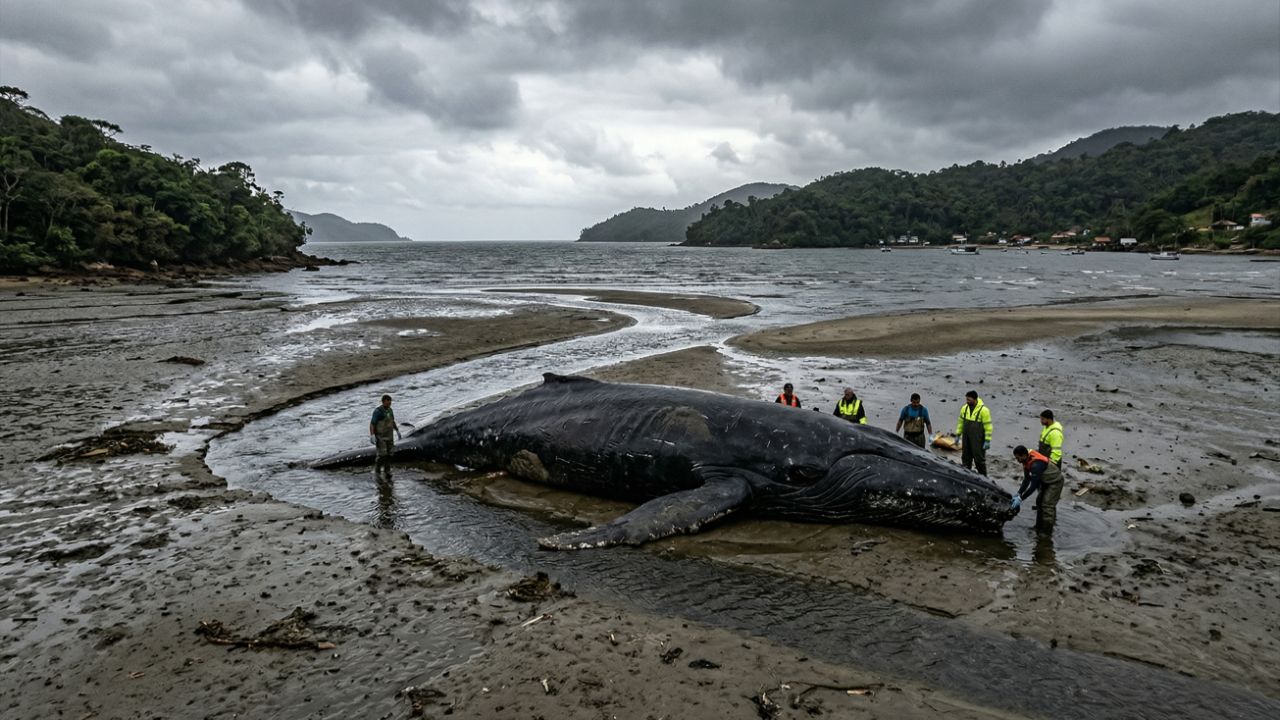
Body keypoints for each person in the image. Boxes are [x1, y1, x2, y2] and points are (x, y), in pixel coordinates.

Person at [1012, 445, 1064, 534]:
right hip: (1044, 481)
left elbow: (1033, 486)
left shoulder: (1036, 465)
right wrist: (1018, 493)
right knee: (1039, 502)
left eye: (1018, 458)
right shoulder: (1026, 460)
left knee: (1047, 506)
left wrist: (1021, 499)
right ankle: (1038, 528)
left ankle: (1046, 534)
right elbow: (1026, 480)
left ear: (1024, 455)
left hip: (1055, 482)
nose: (1017, 460)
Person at [955, 390, 993, 476]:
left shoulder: (984, 410)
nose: (967, 401)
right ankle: (966, 475)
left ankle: (984, 478)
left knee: (979, 459)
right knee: (965, 458)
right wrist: (958, 434)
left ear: (975, 399)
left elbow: (988, 427)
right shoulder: (964, 408)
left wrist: (987, 440)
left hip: (978, 440)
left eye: (969, 400)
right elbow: (960, 422)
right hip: (966, 438)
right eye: (967, 399)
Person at [369, 394, 402, 477]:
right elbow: (372, 424)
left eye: (390, 403)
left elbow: (392, 421)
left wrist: (397, 430)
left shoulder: (390, 410)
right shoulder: (378, 411)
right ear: (383, 402)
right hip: (381, 437)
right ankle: (377, 470)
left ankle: (387, 470)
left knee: (390, 453)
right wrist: (372, 435)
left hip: (389, 436)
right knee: (382, 454)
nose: (389, 405)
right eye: (387, 403)